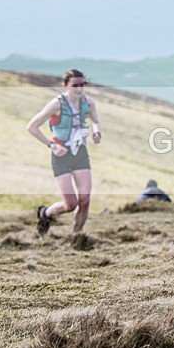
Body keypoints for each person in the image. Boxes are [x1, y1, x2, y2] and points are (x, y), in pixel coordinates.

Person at [27, 69, 102, 236]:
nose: (79, 89)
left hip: (80, 153)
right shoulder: (56, 104)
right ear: (65, 85)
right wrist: (51, 145)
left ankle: (76, 237)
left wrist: (97, 133)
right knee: (71, 204)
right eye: (75, 85)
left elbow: (96, 121)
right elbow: (32, 127)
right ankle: (45, 214)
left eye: (82, 84)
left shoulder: (88, 103)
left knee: (85, 200)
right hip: (61, 155)